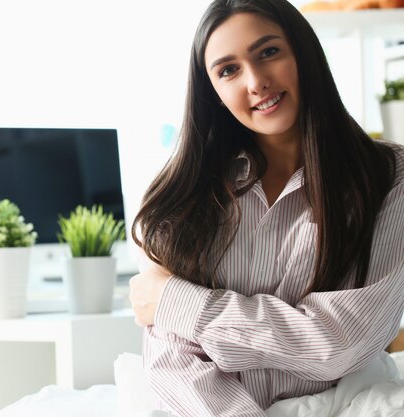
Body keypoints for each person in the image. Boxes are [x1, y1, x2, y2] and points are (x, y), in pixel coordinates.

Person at [128, 0, 404, 416]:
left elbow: (340, 343)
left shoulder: (389, 177)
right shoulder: (184, 194)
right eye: (228, 70)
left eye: (268, 52)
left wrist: (182, 302)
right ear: (214, 93)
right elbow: (173, 358)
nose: (256, 81)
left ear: (303, 53)